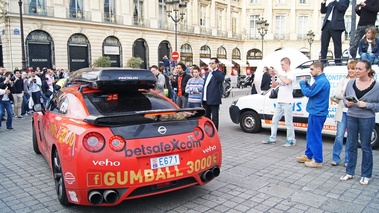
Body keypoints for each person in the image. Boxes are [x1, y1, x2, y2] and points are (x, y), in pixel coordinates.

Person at [340, 60, 379, 185]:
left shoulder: (376, 86)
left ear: (368, 70)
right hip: (351, 116)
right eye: (356, 68)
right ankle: (349, 171)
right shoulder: (351, 83)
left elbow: (378, 105)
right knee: (351, 145)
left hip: (367, 118)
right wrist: (347, 103)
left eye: (359, 69)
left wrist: (366, 104)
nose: (356, 71)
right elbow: (345, 98)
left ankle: (366, 174)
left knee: (366, 146)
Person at [296, 61, 330, 168]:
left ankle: (318, 160)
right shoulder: (319, 80)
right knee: (310, 135)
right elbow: (312, 90)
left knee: (315, 136)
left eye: (311, 69)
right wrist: (306, 83)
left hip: (317, 113)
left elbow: (308, 93)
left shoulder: (321, 81)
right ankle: (308, 155)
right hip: (314, 112)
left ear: (318, 69)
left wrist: (302, 84)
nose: (310, 71)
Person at [262, 57, 296, 147]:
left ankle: (291, 140)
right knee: (274, 120)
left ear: (288, 64)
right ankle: (272, 138)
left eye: (282, 64)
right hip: (280, 101)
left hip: (287, 102)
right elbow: (274, 86)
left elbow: (287, 82)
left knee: (288, 122)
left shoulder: (291, 74)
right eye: (281, 65)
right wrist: (273, 77)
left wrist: (279, 74)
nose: (281, 66)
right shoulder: (282, 75)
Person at [331, 60, 357, 166]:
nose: (350, 70)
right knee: (339, 135)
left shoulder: (359, 81)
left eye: (353, 68)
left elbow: (358, 97)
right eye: (349, 68)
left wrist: (344, 94)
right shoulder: (343, 79)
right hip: (343, 111)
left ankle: (347, 159)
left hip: (353, 112)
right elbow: (337, 94)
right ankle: (335, 158)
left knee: (351, 137)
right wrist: (347, 96)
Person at [202, 58, 225, 130]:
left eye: (212, 63)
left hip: (214, 98)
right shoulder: (207, 73)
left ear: (216, 64)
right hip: (205, 98)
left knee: (214, 117)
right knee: (206, 116)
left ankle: (215, 131)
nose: (211, 65)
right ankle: (207, 131)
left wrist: (213, 72)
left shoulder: (219, 73)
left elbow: (221, 79)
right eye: (210, 63)